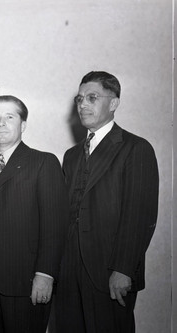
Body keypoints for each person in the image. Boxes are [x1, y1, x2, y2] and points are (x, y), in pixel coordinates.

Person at [55, 71, 159, 333]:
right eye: (79, 99)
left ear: (113, 104)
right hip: (69, 273)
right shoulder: (71, 155)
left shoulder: (136, 148)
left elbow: (140, 216)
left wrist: (124, 269)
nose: (83, 105)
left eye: (92, 98)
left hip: (110, 273)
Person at [0, 95, 69, 332]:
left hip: (27, 285)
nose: (1, 123)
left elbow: (55, 226)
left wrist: (45, 274)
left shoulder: (43, 163)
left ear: (23, 125)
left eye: (9, 117)